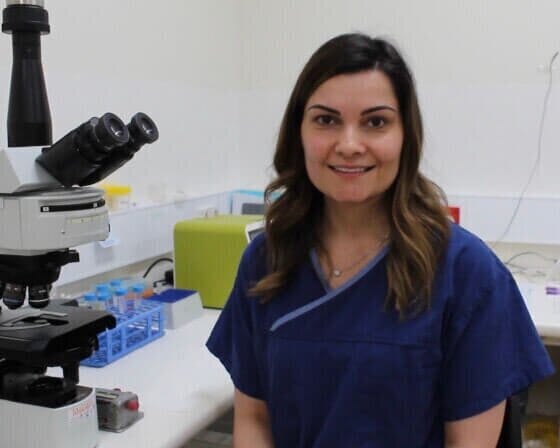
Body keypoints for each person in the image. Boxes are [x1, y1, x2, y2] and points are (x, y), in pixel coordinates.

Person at [206, 33, 554, 447]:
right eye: (326, 120)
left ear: (406, 136)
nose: (349, 145)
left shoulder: (467, 273)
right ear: (298, 133)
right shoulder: (266, 261)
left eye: (376, 122)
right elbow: (254, 419)